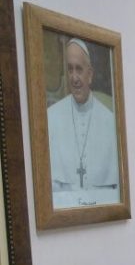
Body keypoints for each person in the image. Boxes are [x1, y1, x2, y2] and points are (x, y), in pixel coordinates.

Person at [46, 38, 120, 205]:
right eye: (70, 69)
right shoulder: (51, 117)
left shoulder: (110, 122)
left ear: (90, 74)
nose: (74, 78)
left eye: (79, 69)